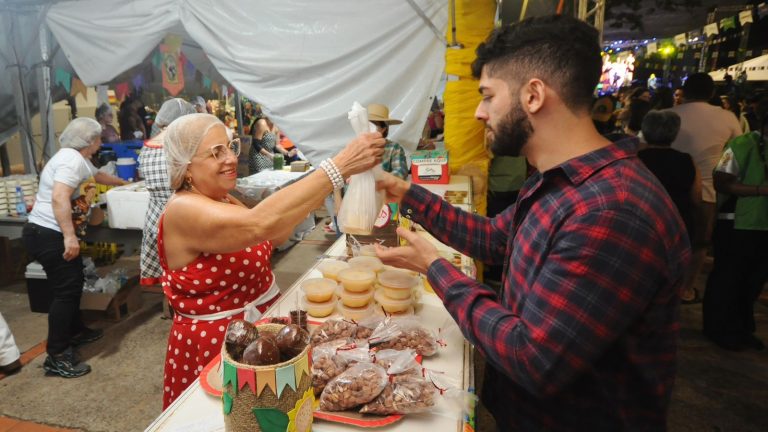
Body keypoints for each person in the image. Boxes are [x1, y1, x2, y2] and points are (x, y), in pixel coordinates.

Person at [374, 15, 690, 430]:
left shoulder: (611, 211)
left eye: (488, 96)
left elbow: (532, 357)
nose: (479, 112)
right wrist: (406, 192)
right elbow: (493, 240)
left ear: (534, 95)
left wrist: (435, 268)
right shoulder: (557, 181)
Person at [158, 113, 384, 407]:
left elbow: (275, 234)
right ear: (186, 166)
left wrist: (324, 186)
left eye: (230, 147)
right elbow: (259, 225)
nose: (230, 159)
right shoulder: (183, 209)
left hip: (260, 331)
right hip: (218, 345)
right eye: (216, 152)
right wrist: (336, 168)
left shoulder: (223, 199)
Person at [22, 118, 128, 378]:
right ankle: (57, 356)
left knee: (74, 280)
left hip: (45, 231)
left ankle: (76, 331)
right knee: (66, 291)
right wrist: (69, 237)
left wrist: (125, 186)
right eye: (99, 138)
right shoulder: (71, 161)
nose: (101, 142)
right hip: (48, 233)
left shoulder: (74, 158)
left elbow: (97, 174)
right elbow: (59, 196)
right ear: (90, 141)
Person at [667, 73, 742, 302]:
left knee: (662, 240)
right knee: (699, 242)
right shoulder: (728, 118)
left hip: (666, 186)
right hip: (707, 191)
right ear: (711, 94)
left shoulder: (668, 115)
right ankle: (687, 289)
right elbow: (735, 153)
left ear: (685, 91)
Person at [704, 96, 768, 351]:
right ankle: (720, 328)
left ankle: (740, 328)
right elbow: (721, 181)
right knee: (729, 279)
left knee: (753, 281)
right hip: (738, 223)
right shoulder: (742, 144)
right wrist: (761, 190)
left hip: (761, 226)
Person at [137, 98, 196, 286]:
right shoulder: (180, 147)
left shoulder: (146, 148)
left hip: (156, 221)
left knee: (169, 278)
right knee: (188, 277)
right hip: (184, 220)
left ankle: (172, 307)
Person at [638, 110, 700, 249]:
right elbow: (696, 198)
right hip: (677, 222)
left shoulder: (636, 159)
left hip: (644, 223)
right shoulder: (686, 160)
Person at [368, 103, 409, 179]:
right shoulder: (358, 147)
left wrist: (377, 180)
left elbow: (400, 171)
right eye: (367, 125)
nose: (369, 129)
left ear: (383, 129)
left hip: (382, 189)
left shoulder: (393, 148)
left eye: (373, 125)